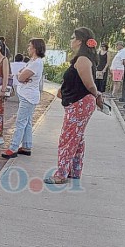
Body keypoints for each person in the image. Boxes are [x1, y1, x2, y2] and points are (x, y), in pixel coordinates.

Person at [45, 27, 104, 185]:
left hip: (80, 103)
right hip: (78, 102)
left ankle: (61, 174)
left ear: (79, 41)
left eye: (73, 37)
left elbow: (89, 84)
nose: (71, 40)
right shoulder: (82, 58)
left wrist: (97, 94)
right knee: (77, 138)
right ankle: (74, 171)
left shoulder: (83, 59)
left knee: (68, 138)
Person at [2, 38, 45, 158]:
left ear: (35, 48)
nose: (28, 48)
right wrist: (21, 75)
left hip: (28, 96)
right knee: (27, 122)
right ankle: (26, 145)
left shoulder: (36, 63)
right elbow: (21, 73)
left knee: (20, 122)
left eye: (30, 46)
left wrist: (21, 75)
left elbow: (20, 77)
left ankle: (13, 147)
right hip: (26, 94)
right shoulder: (32, 61)